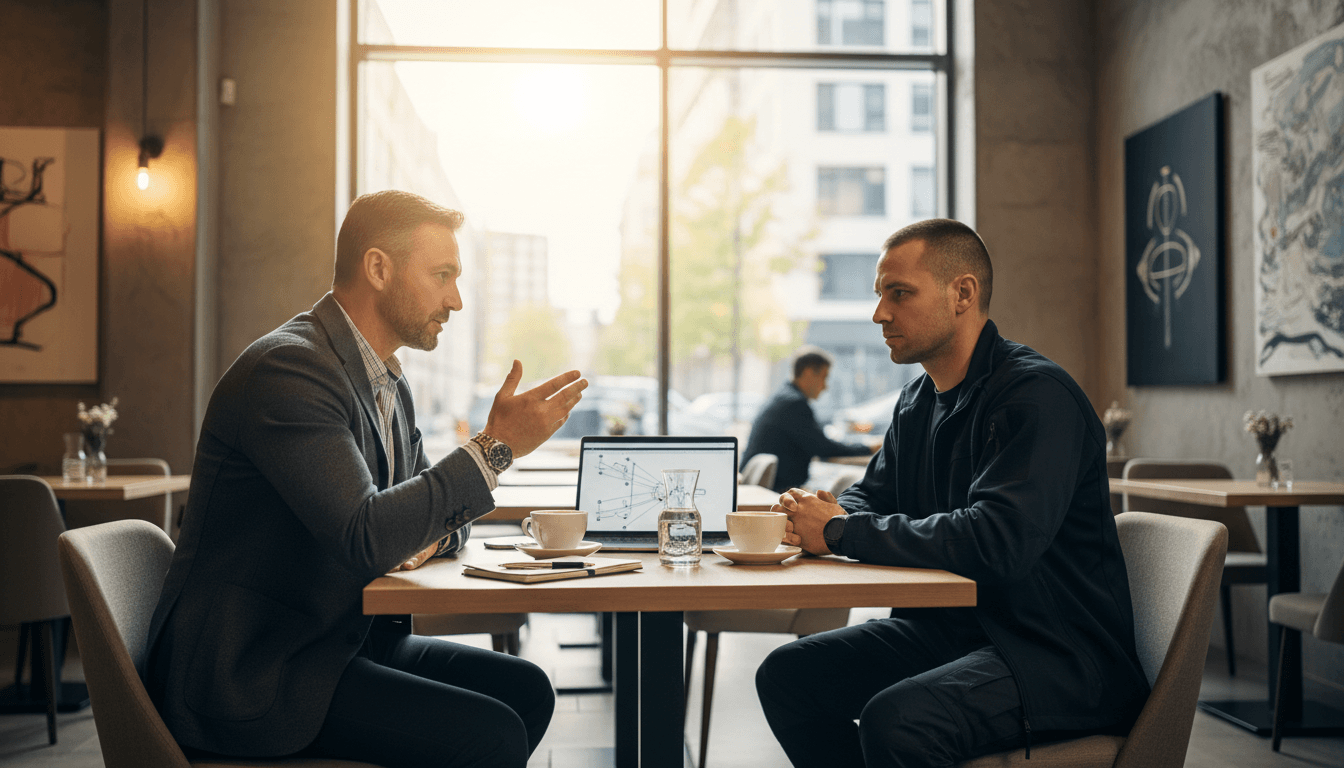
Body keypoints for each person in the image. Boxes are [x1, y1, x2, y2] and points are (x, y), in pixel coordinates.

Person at [143, 190, 587, 768]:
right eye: (443, 275)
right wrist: (494, 447)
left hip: (337, 643)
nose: (455, 299)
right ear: (378, 268)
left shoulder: (388, 382)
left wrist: (414, 529)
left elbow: (427, 516)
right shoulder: (290, 369)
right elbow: (370, 534)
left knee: (526, 691)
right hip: (259, 670)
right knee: (491, 735)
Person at [755, 219, 1149, 767]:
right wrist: (835, 516)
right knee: (789, 676)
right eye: (879, 296)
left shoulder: (1036, 396)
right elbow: (872, 496)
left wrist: (842, 530)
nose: (879, 314)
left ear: (962, 293)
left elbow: (998, 540)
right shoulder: (918, 400)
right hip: (953, 630)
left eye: (900, 294)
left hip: (1053, 655)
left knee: (898, 722)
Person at [740, 346, 872, 492]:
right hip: (778, 492)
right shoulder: (794, 405)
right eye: (824, 377)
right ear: (809, 373)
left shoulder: (783, 398)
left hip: (768, 489)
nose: (825, 387)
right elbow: (823, 448)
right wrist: (869, 447)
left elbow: (816, 442)